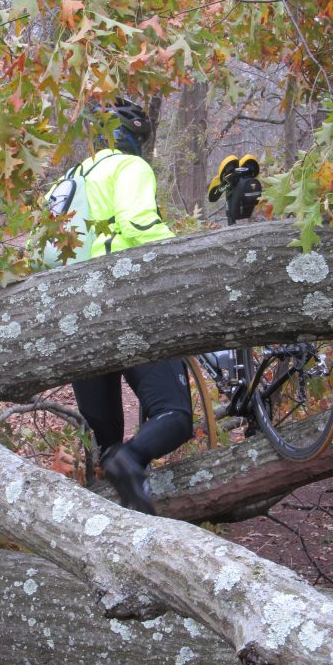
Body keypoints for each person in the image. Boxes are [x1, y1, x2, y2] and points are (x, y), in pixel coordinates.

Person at [69, 98, 193, 515]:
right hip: (126, 304)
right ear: (133, 137)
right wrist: (188, 255)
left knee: (108, 443)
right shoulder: (128, 167)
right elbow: (139, 224)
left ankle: (124, 519)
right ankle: (133, 462)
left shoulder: (67, 182)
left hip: (71, 318)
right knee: (173, 415)